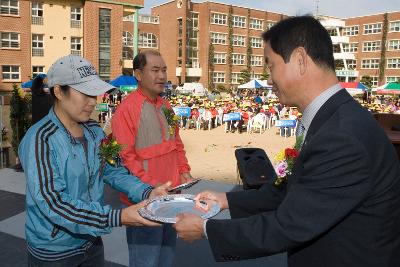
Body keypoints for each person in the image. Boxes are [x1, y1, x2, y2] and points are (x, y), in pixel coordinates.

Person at [173, 16, 400, 267]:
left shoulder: (342, 136)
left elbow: (290, 224)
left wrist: (205, 229)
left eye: (271, 66)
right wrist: (225, 200)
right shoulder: (332, 119)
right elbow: (294, 190)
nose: (269, 79)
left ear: (300, 60)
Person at [19, 55, 170, 267]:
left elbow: (113, 171)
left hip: (91, 241)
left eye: (94, 94)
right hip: (55, 251)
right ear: (59, 92)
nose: (93, 102)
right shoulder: (40, 139)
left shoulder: (94, 131)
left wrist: (147, 191)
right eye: (85, 94)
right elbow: (54, 203)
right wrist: (116, 217)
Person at [111, 50, 193, 267]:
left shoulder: (165, 106)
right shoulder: (126, 110)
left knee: (166, 258)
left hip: (172, 196)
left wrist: (184, 170)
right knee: (145, 261)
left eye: (164, 70)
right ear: (138, 74)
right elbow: (126, 158)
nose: (162, 76)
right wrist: (150, 187)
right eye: (155, 70)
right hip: (145, 201)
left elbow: (176, 142)